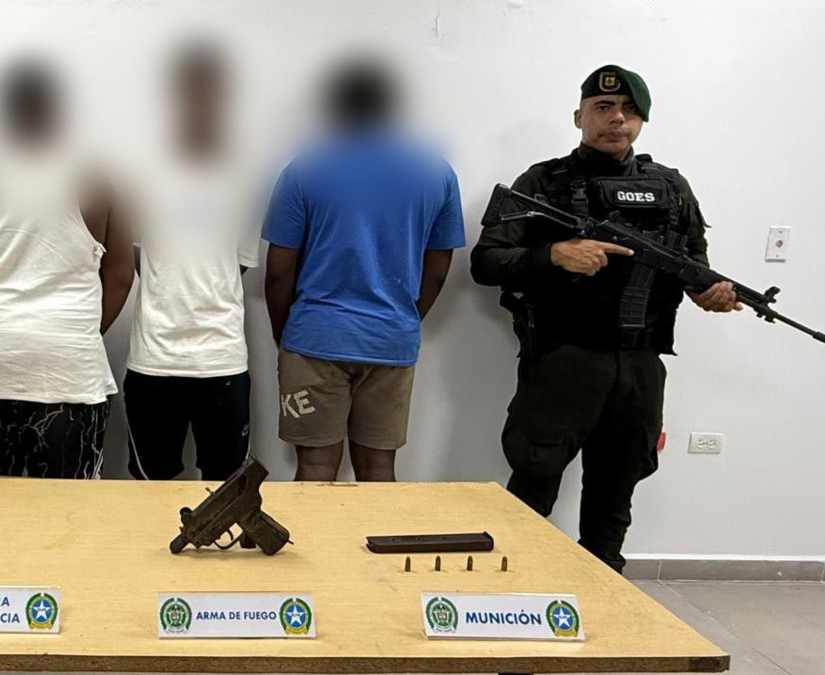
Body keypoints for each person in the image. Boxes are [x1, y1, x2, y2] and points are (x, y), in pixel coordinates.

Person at [470, 65, 742, 573]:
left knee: (616, 493)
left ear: (642, 122)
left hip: (641, 365)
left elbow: (694, 266)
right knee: (533, 484)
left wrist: (711, 294)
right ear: (579, 117)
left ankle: (605, 592)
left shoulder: (672, 187)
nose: (617, 119)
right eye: (603, 107)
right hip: (564, 359)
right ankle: (508, 588)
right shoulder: (543, 182)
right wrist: (554, 255)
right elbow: (485, 263)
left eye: (629, 111)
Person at [0, 61, 133, 479]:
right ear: (58, 110)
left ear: (3, 110)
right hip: (67, 370)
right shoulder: (95, 183)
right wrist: (75, 332)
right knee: (65, 511)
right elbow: (121, 276)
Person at [263, 59, 465, 482]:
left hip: (315, 337)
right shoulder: (437, 173)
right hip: (391, 338)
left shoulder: (303, 171)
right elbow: (438, 267)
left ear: (334, 106)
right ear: (391, 106)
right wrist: (403, 318)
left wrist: (286, 333)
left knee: (315, 467)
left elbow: (280, 269)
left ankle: (314, 535)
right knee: (378, 469)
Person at [124, 44, 259, 481]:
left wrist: (201, 286)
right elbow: (138, 255)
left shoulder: (244, 175)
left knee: (226, 493)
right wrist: (173, 285)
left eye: (209, 88)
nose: (200, 97)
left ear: (224, 95)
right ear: (174, 93)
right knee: (149, 491)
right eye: (191, 87)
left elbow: (238, 263)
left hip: (221, 357)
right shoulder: (143, 169)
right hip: (154, 358)